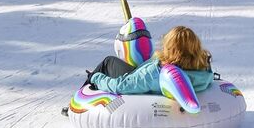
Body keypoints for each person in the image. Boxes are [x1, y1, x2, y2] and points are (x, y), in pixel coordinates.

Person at [86, 26, 214, 96]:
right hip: (157, 71)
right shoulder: (202, 67)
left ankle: (77, 102)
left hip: (135, 80)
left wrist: (96, 78)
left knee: (108, 62)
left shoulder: (155, 74)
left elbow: (121, 86)